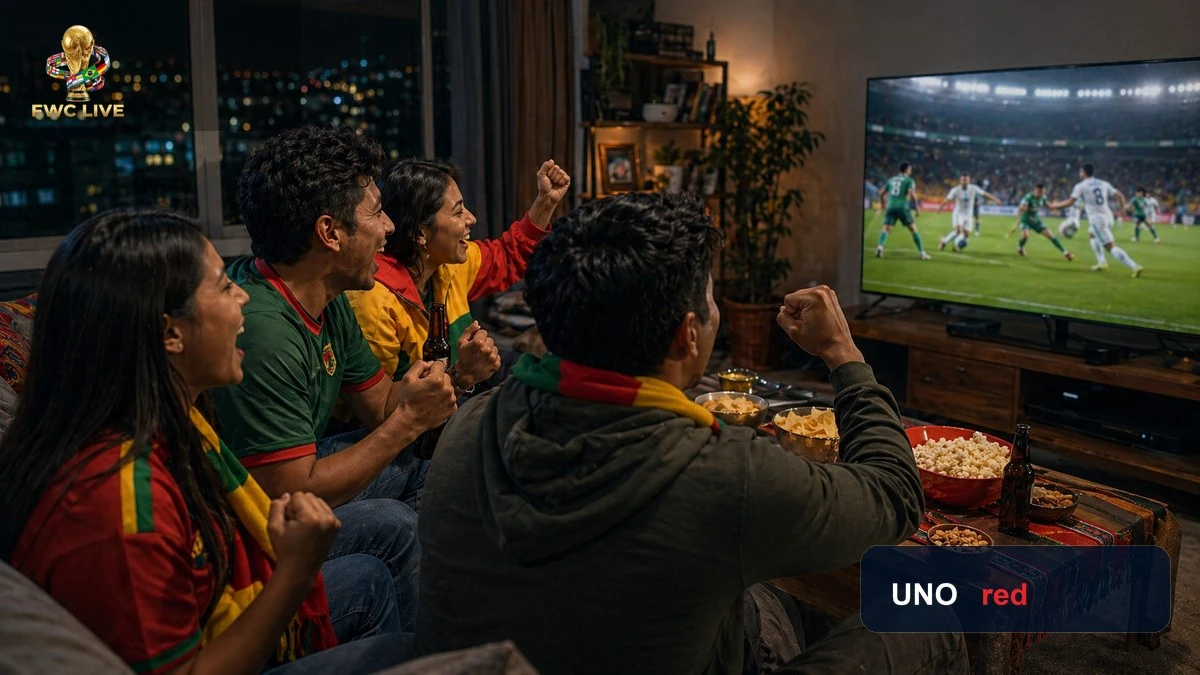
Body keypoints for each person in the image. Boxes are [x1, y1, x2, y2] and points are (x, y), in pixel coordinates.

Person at [413, 192, 968, 674]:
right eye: (710, 298)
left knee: (747, 593)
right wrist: (843, 354)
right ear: (687, 334)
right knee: (929, 614)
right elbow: (895, 494)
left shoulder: (469, 423)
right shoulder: (727, 476)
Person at [0, 209, 413, 675]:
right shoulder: (119, 505)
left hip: (213, 599)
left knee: (375, 569)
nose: (241, 297)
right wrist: (295, 574)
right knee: (398, 651)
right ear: (170, 333)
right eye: (221, 286)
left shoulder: (165, 417)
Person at [211, 125, 458, 513]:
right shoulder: (262, 331)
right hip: (249, 516)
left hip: (294, 476)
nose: (390, 227)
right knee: (391, 526)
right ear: (330, 232)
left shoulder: (327, 293)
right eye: (376, 213)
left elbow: (378, 406)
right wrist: (408, 422)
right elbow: (290, 494)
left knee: (427, 464)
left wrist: (439, 385)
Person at [345, 158, 570, 407]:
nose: (471, 219)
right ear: (420, 233)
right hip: (416, 412)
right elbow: (381, 409)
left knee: (547, 379)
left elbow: (506, 256)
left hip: (458, 381)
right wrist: (463, 374)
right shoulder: (374, 300)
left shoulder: (448, 263)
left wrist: (546, 201)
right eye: (458, 211)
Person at [1048, 163, 1143, 277]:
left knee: (1111, 247)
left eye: (1080, 171)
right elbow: (1120, 196)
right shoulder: (1103, 183)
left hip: (1097, 219)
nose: (1079, 173)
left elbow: (1070, 202)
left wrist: (1054, 206)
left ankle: (1134, 266)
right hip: (1109, 216)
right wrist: (1122, 211)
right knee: (1091, 233)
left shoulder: (1081, 186)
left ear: (1083, 172)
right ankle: (1102, 262)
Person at [876, 162, 931, 260]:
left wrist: (882, 205)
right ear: (907, 170)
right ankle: (922, 252)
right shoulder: (909, 180)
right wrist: (917, 208)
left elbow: (881, 193)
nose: (911, 171)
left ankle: (880, 247)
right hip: (902, 207)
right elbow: (911, 194)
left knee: (886, 228)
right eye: (910, 169)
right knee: (913, 229)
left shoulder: (891, 180)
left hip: (890, 206)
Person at [1006, 183, 1074, 261]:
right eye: (1039, 192)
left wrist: (1067, 203)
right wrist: (1016, 224)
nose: (1041, 194)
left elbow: (1051, 206)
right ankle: (1020, 248)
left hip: (1035, 219)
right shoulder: (1028, 197)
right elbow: (1021, 209)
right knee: (1025, 236)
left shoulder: (1043, 198)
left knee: (1051, 235)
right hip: (1025, 220)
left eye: (1043, 192)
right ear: (1035, 191)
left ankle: (1065, 253)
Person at [937, 174, 1000, 251]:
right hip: (958, 213)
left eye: (966, 180)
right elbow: (947, 199)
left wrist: (995, 199)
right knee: (958, 230)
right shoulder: (955, 190)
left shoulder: (973, 188)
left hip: (968, 215)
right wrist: (941, 208)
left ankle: (951, 243)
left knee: (966, 234)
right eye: (963, 180)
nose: (965, 182)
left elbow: (985, 194)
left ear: (969, 181)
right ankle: (944, 242)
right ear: (960, 181)